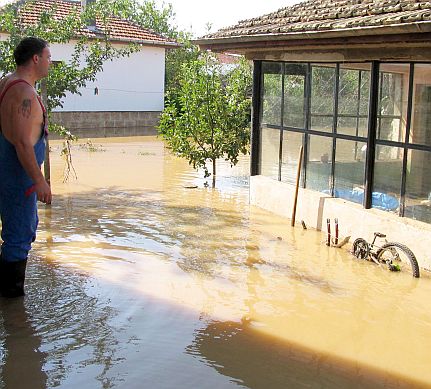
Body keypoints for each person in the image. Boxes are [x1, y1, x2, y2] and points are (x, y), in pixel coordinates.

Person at [0, 37, 52, 297]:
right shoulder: (25, 94)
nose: (50, 62)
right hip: (19, 177)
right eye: (48, 57)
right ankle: (13, 308)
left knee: (15, 233)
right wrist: (39, 180)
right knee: (19, 237)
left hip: (7, 171)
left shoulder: (6, 82)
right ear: (36, 59)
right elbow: (22, 143)